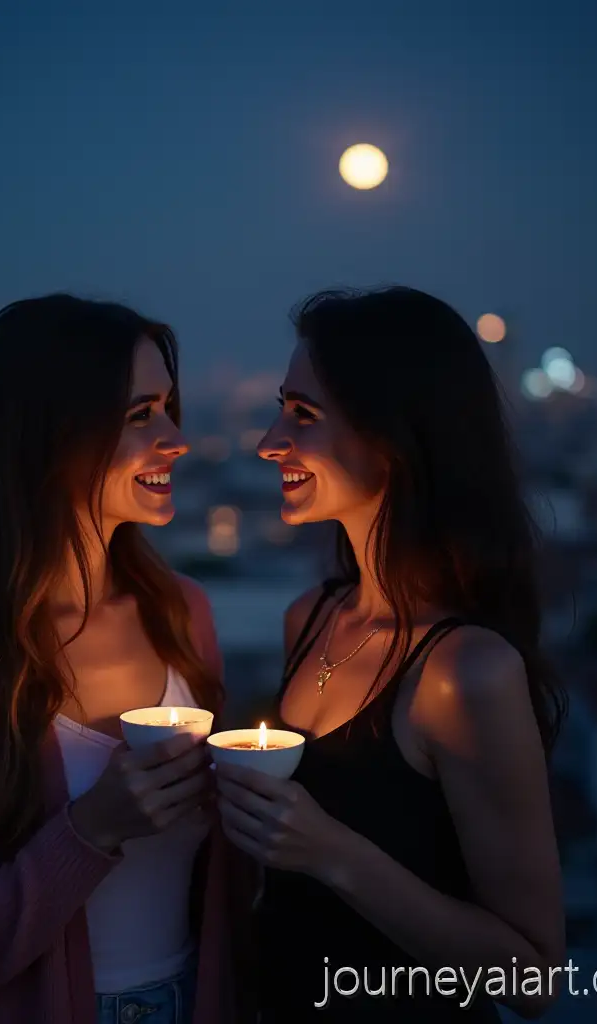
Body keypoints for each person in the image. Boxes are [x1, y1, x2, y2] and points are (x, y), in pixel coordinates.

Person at [0, 294, 248, 1024]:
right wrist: (91, 828)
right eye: (141, 416)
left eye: (169, 409)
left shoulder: (184, 616)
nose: (176, 439)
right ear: (51, 433)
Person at [215, 287, 566, 1021]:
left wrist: (332, 853)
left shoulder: (466, 673)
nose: (269, 442)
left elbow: (532, 978)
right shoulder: (309, 620)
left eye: (303, 415)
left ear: (393, 439)